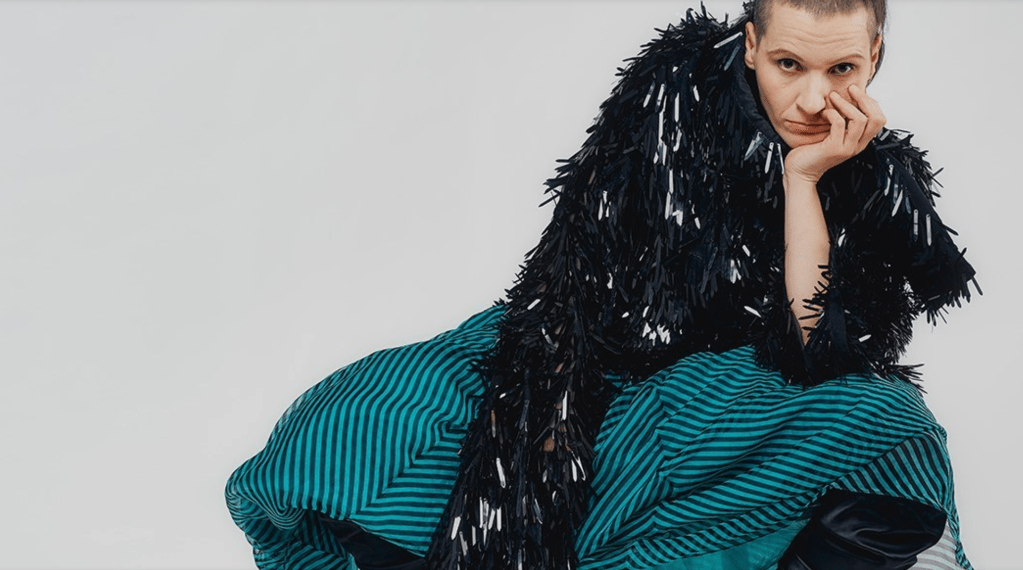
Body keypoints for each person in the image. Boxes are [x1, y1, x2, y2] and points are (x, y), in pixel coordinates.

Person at [225, 1, 978, 569]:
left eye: (840, 70)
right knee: (364, 420)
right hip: (590, 342)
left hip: (746, 379)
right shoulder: (673, 102)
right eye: (789, 65)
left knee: (890, 428)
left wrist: (805, 183)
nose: (813, 100)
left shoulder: (880, 185)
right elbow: (583, 280)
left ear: (874, 57)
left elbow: (818, 353)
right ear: (751, 44)